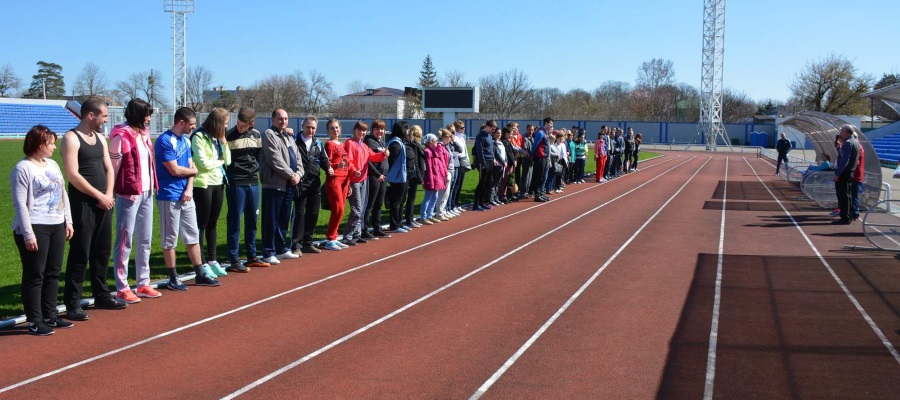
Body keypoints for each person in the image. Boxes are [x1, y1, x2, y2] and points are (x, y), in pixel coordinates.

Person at [61, 97, 127, 321]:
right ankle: (72, 302)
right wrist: (99, 195)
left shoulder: (100, 138)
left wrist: (108, 195)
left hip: (104, 203)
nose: (106, 121)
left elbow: (109, 168)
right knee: (80, 252)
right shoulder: (71, 138)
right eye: (104, 116)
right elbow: (72, 175)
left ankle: (101, 294)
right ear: (91, 115)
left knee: (102, 251)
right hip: (83, 204)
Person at [13, 125, 74, 335]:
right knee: (35, 274)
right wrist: (28, 233)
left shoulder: (53, 164)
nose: (54, 147)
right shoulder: (23, 168)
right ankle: (35, 320)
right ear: (39, 144)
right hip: (35, 225)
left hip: (56, 224)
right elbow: (20, 204)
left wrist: (68, 220)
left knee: (53, 273)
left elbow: (62, 193)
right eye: (51, 143)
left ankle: (50, 315)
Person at [155, 107, 221, 289]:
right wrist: (193, 171)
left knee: (193, 236)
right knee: (170, 239)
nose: (193, 128)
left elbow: (190, 165)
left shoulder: (185, 140)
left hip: (186, 195)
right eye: (191, 124)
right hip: (169, 195)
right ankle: (173, 277)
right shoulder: (164, 141)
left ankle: (200, 274)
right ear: (181, 122)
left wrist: (189, 188)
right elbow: (174, 169)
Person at [109, 98, 157, 304]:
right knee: (124, 240)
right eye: (146, 114)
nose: (148, 119)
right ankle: (122, 286)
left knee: (145, 239)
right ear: (136, 114)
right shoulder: (121, 135)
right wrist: (110, 192)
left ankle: (143, 282)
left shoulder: (144, 135)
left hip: (147, 192)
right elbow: (113, 167)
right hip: (127, 194)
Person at [225, 107, 269, 272]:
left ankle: (252, 257)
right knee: (235, 221)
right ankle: (234, 260)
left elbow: (258, 156)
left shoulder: (256, 135)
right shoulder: (229, 136)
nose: (239, 127)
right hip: (236, 183)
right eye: (238, 123)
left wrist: (254, 169)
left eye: (243, 125)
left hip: (253, 183)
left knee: (252, 221)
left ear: (251, 124)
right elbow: (225, 160)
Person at [191, 108, 231, 278]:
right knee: (202, 224)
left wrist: (224, 143)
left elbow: (228, 160)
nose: (227, 127)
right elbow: (203, 163)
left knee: (213, 223)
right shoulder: (198, 136)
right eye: (225, 123)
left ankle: (213, 261)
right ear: (217, 122)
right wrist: (219, 161)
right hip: (203, 184)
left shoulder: (218, 138)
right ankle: (202, 262)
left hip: (218, 183)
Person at [259, 109, 303, 264]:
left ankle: (281, 248)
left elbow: (297, 157)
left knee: (284, 218)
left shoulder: (288, 136)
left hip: (289, 185)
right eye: (280, 119)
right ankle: (268, 251)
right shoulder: (269, 135)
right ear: (272, 120)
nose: (283, 121)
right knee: (271, 219)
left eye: (285, 119)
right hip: (274, 185)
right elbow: (275, 160)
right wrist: (292, 175)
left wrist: (298, 174)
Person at [343, 120, 387, 245]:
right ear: (354, 130)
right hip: (354, 180)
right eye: (359, 130)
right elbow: (348, 160)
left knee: (361, 208)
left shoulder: (363, 145)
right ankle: (347, 235)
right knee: (356, 209)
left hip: (363, 180)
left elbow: (372, 156)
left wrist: (383, 154)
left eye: (364, 131)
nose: (362, 133)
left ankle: (356, 235)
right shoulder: (350, 143)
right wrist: (353, 170)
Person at [291, 116, 329, 254]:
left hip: (315, 182)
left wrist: (329, 169)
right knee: (299, 213)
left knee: (313, 213)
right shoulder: (294, 139)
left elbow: (324, 159)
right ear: (302, 126)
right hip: (300, 182)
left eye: (313, 128)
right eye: (308, 127)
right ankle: (295, 244)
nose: (310, 130)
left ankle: (308, 242)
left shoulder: (317, 143)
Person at [321, 119, 358, 250]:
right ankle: (330, 239)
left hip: (344, 181)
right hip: (334, 180)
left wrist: (348, 183)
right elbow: (326, 163)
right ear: (328, 131)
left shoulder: (342, 145)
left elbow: (347, 164)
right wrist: (337, 165)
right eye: (332, 128)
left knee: (341, 211)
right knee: (338, 209)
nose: (335, 130)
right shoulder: (329, 145)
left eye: (337, 128)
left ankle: (334, 237)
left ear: (340, 129)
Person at [363, 120, 391, 239]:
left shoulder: (382, 141)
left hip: (383, 175)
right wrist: (378, 174)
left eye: (382, 129)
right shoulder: (369, 141)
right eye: (377, 129)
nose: (380, 131)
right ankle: (364, 229)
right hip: (374, 176)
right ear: (372, 130)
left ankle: (376, 228)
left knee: (379, 204)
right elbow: (368, 160)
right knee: (370, 203)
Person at [832, 124, 860, 225]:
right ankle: (847, 216)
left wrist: (838, 174)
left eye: (842, 131)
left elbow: (844, 160)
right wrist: (839, 149)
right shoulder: (855, 142)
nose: (840, 133)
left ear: (846, 132)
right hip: (850, 172)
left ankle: (845, 217)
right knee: (847, 195)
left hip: (844, 173)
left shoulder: (848, 143)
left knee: (843, 195)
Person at [385, 121, 409, 232]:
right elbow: (390, 161)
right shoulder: (395, 144)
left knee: (400, 201)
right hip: (396, 177)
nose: (408, 131)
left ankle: (399, 223)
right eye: (406, 128)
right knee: (396, 202)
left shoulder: (399, 142)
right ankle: (394, 225)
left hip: (401, 176)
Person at [402, 125, 425, 229]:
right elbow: (416, 161)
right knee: (409, 198)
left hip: (413, 173)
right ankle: (408, 219)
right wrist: (420, 176)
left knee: (410, 198)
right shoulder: (414, 145)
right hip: (412, 174)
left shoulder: (414, 144)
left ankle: (409, 219)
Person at [472, 120, 498, 210]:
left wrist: (493, 158)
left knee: (488, 183)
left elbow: (491, 149)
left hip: (490, 161)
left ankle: (482, 202)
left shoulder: (490, 136)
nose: (493, 131)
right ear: (487, 126)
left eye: (494, 129)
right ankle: (476, 204)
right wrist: (483, 162)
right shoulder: (480, 136)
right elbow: (480, 150)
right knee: (482, 183)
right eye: (492, 129)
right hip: (484, 162)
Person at [420, 133, 446, 223]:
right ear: (430, 142)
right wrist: (430, 180)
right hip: (431, 178)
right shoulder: (427, 152)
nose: (437, 142)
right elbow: (429, 168)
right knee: (427, 198)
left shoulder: (433, 151)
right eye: (435, 141)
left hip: (435, 178)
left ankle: (429, 215)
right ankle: (423, 217)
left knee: (434, 197)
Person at [447, 120, 470, 211]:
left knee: (460, 184)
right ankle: (452, 205)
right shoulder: (455, 138)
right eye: (461, 128)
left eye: (464, 127)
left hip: (463, 160)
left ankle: (455, 204)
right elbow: (458, 150)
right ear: (456, 129)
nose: (463, 129)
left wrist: (467, 159)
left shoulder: (462, 137)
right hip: (458, 160)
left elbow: (464, 150)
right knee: (456, 184)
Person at [530, 118, 553, 202]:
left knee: (543, 177)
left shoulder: (546, 133)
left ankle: (540, 193)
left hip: (545, 157)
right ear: (545, 123)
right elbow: (535, 145)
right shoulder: (540, 133)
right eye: (550, 123)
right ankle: (537, 195)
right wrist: (532, 155)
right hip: (540, 157)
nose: (551, 125)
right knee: (538, 177)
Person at [850, 132, 865, 221]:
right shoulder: (859, 145)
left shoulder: (856, 146)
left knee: (854, 195)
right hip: (858, 174)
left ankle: (855, 213)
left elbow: (856, 162)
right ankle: (854, 212)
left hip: (856, 175)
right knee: (854, 195)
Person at [517, 124, 535, 198]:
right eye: (529, 129)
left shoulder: (533, 138)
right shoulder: (524, 137)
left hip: (532, 160)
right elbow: (525, 148)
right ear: (526, 129)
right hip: (526, 159)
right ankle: (522, 192)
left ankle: (526, 191)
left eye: (532, 130)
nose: (530, 131)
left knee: (529, 176)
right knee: (525, 176)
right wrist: (530, 156)